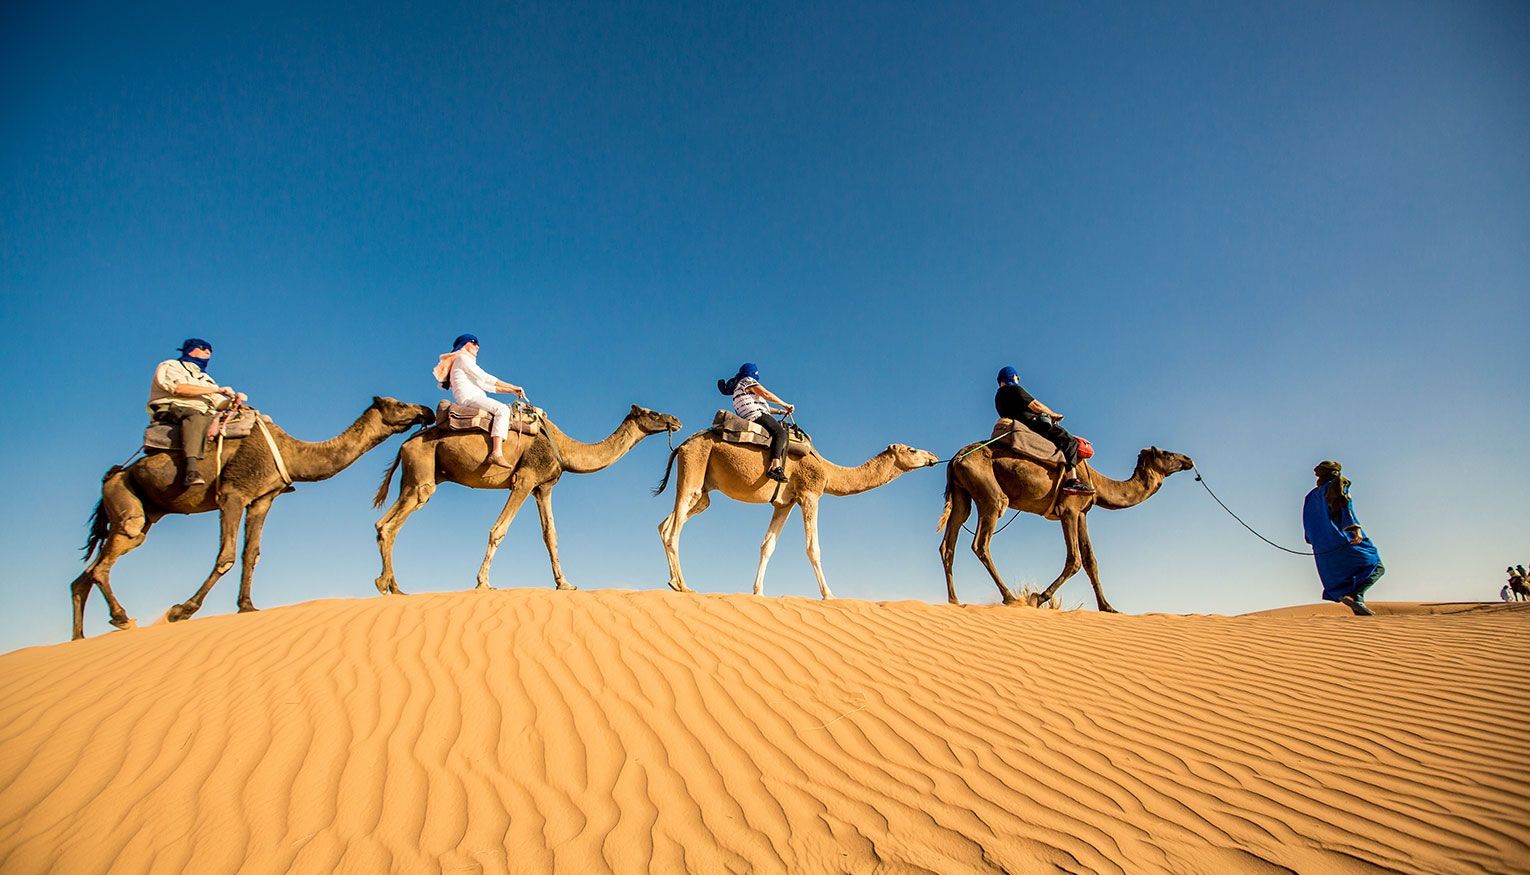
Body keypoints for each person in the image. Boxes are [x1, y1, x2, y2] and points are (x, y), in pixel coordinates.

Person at [147, 338, 246, 487]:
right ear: (189, 349)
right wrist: (217, 389)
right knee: (197, 417)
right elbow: (180, 388)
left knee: (248, 419)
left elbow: (219, 402)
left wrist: (233, 401)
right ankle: (191, 470)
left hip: (205, 411)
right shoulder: (171, 366)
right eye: (203, 347)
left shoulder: (205, 378)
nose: (208, 352)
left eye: (210, 350)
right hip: (173, 408)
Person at [994, 366, 1093, 495]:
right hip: (1032, 425)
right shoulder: (1013, 389)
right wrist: (1053, 414)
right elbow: (1035, 405)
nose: (1017, 380)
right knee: (1070, 441)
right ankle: (1072, 481)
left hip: (1016, 426)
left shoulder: (998, 398)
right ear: (1013, 377)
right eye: (1016, 377)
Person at [1302, 460, 1384, 616]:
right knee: (1376, 565)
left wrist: (1312, 539)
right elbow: (1346, 507)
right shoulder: (1337, 485)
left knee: (1341, 575)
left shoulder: (1311, 496)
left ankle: (1355, 604)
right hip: (1343, 536)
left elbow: (1307, 519)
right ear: (1335, 472)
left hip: (1322, 544)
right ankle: (1357, 596)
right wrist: (1354, 529)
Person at [433, 334, 526, 467]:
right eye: (474, 342)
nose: (478, 346)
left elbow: (487, 386)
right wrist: (512, 386)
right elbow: (484, 377)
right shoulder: (462, 358)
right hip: (470, 399)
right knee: (503, 410)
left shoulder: (464, 362)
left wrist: (512, 391)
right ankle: (496, 452)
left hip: (474, 398)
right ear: (465, 344)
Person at [718, 363, 794, 482]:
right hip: (757, 415)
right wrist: (785, 404)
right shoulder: (748, 381)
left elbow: (766, 407)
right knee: (780, 433)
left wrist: (781, 411)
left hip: (750, 415)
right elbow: (766, 394)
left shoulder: (738, 388)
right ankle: (775, 467)